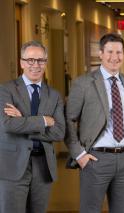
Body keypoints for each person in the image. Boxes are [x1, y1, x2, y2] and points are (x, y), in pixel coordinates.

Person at [65, 33, 124, 213]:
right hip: (95, 159)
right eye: (110, 52)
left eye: (119, 52)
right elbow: (68, 119)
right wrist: (80, 155)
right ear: (100, 53)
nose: (114, 57)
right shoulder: (83, 83)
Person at [0, 40, 65, 213]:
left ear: (45, 63)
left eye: (40, 60)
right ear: (21, 62)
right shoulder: (6, 90)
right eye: (30, 60)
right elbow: (8, 125)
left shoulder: (54, 95)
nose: (35, 65)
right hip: (12, 167)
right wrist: (44, 121)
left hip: (43, 167)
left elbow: (59, 132)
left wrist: (24, 121)